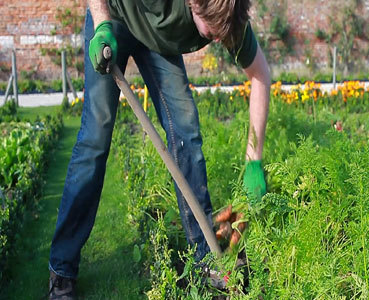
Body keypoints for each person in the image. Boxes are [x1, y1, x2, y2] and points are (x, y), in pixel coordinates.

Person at [47, 0, 270, 298]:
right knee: (95, 137)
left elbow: (260, 75)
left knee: (186, 133)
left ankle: (204, 259)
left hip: (159, 42)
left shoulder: (228, 17)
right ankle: (62, 271)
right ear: (193, 4)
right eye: (211, 31)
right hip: (114, 17)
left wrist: (253, 162)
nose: (218, 39)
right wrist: (101, 25)